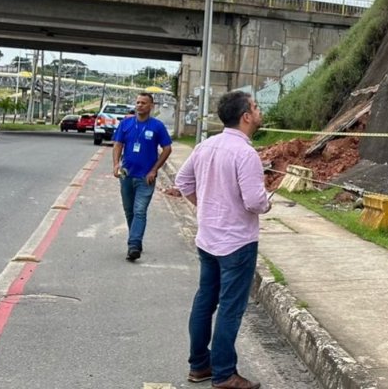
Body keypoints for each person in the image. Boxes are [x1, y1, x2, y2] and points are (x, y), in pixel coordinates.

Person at [175, 91, 273, 389]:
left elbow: (182, 182)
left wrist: (205, 206)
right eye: (255, 107)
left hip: (208, 238)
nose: (258, 111)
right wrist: (268, 201)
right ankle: (224, 373)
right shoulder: (245, 154)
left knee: (205, 300)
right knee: (231, 307)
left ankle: (199, 366)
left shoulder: (206, 146)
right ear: (246, 116)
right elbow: (255, 202)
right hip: (238, 243)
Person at [112, 91, 172, 262]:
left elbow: (167, 148)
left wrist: (154, 170)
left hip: (146, 178)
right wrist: (116, 164)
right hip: (127, 175)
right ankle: (135, 240)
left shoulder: (157, 126)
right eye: (138, 102)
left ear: (151, 106)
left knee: (140, 210)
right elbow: (117, 144)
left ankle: (134, 244)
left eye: (143, 103)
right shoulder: (126, 124)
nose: (139, 105)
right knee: (129, 210)